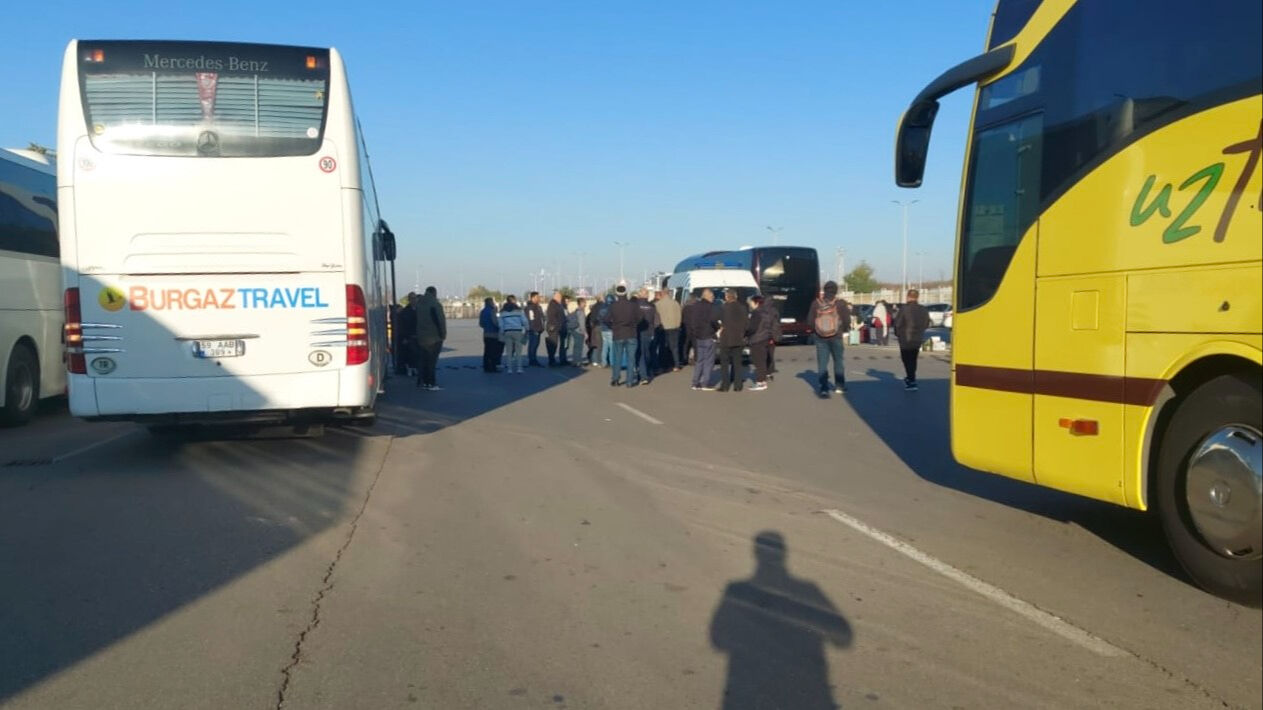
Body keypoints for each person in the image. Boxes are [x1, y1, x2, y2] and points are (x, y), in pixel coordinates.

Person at [806, 281, 850, 397]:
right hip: (837, 336)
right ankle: (839, 386)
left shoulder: (816, 303)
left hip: (820, 338)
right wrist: (844, 330)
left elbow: (810, 322)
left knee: (822, 363)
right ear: (835, 291)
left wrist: (817, 331)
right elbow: (846, 320)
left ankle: (824, 388)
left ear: (824, 290)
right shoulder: (840, 303)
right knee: (838, 361)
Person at [893, 288, 932, 391]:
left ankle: (911, 380)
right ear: (917, 297)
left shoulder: (904, 309)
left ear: (908, 296)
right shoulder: (923, 309)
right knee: (913, 359)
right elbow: (927, 323)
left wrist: (898, 334)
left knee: (906, 359)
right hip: (917, 337)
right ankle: (911, 377)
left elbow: (897, 323)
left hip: (905, 338)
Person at [605, 284, 640, 387]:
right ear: (626, 293)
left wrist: (612, 327)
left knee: (617, 358)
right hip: (631, 334)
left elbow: (606, 319)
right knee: (631, 358)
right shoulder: (633, 305)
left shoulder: (613, 306)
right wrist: (634, 324)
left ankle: (615, 379)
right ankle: (629, 381)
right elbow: (640, 317)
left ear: (616, 294)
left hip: (618, 334)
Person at [716, 290, 750, 392]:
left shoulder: (723, 308)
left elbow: (718, 320)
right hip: (738, 338)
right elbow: (747, 325)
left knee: (724, 363)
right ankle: (738, 385)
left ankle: (725, 386)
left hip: (726, 338)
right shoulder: (743, 308)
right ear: (736, 297)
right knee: (737, 363)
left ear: (727, 297)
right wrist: (743, 333)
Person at [414, 286, 446, 391]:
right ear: (434, 293)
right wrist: (443, 335)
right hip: (434, 337)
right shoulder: (435, 305)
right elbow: (440, 321)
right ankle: (431, 383)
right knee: (432, 362)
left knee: (423, 360)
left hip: (421, 337)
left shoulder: (419, 304)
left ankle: (422, 381)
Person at [688, 289, 720, 390]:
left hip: (698, 337)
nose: (713, 298)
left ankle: (695, 383)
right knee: (708, 361)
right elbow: (714, 320)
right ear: (708, 296)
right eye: (712, 296)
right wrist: (717, 329)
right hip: (709, 336)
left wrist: (695, 333)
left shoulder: (695, 306)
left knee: (699, 360)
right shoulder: (711, 307)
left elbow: (692, 322)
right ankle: (705, 383)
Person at [747, 295, 775, 391]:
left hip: (757, 339)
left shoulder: (756, 313)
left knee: (758, 362)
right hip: (764, 338)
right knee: (762, 361)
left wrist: (745, 333)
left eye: (751, 302)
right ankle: (762, 381)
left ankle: (760, 382)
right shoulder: (765, 312)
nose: (750, 304)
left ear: (756, 303)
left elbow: (752, 328)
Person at [498, 296, 528, 374]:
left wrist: (502, 333)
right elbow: (525, 321)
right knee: (518, 351)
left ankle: (509, 369)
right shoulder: (519, 311)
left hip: (507, 332)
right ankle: (519, 368)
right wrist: (527, 329)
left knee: (508, 351)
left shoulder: (503, 313)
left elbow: (501, 324)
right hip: (518, 331)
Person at [634, 288, 658, 385]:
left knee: (640, 353)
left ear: (639, 295)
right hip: (650, 332)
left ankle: (643, 375)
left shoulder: (635, 306)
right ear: (647, 295)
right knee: (647, 352)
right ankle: (647, 370)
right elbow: (656, 320)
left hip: (638, 331)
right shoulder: (652, 306)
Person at [655, 289, 682, 373]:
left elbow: (656, 317)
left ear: (662, 294)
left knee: (663, 347)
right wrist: (678, 324)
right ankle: (676, 365)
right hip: (675, 327)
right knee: (675, 347)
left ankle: (664, 366)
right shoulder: (676, 303)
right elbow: (680, 315)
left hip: (663, 328)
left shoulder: (658, 304)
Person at [395, 292, 418, 377]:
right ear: (409, 300)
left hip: (417, 335)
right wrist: (404, 337)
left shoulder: (418, 309)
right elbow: (402, 326)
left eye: (415, 298)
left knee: (415, 354)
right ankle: (410, 369)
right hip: (409, 336)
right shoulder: (405, 311)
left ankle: (414, 368)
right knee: (410, 354)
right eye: (412, 298)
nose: (414, 300)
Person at [478, 297, 502, 373]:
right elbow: (495, 322)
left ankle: (486, 367)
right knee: (494, 352)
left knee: (487, 351)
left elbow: (481, 323)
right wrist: (500, 327)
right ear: (490, 303)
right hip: (493, 334)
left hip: (486, 334)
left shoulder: (482, 311)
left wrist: (486, 327)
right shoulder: (492, 311)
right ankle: (493, 367)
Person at [545, 291, 567, 367]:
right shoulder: (553, 304)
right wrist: (554, 326)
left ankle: (553, 360)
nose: (561, 299)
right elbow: (552, 317)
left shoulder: (558, 304)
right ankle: (551, 361)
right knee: (553, 344)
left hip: (559, 327)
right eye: (560, 297)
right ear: (556, 297)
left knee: (555, 344)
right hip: (553, 328)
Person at [525, 292, 546, 367]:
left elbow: (542, 317)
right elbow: (531, 319)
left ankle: (533, 358)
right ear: (533, 298)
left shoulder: (538, 307)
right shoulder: (530, 307)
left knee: (535, 344)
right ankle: (532, 360)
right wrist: (534, 329)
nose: (539, 298)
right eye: (537, 297)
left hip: (539, 328)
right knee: (533, 345)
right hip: (534, 329)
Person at [680, 293, 698, 368]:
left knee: (685, 345)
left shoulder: (685, 307)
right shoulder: (697, 307)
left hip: (686, 328)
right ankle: (696, 358)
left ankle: (684, 359)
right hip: (695, 328)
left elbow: (682, 317)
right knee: (695, 345)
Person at [568, 297, 587, 365]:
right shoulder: (581, 312)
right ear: (581, 303)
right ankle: (578, 361)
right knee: (579, 347)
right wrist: (585, 333)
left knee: (576, 346)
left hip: (574, 330)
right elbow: (582, 324)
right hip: (579, 331)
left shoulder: (576, 311)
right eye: (585, 302)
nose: (586, 304)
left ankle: (575, 361)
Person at [585, 297, 603, 365]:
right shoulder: (591, 315)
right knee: (596, 346)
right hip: (591, 332)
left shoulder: (589, 315)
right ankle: (594, 359)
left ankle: (592, 359)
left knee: (593, 346)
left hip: (591, 331)